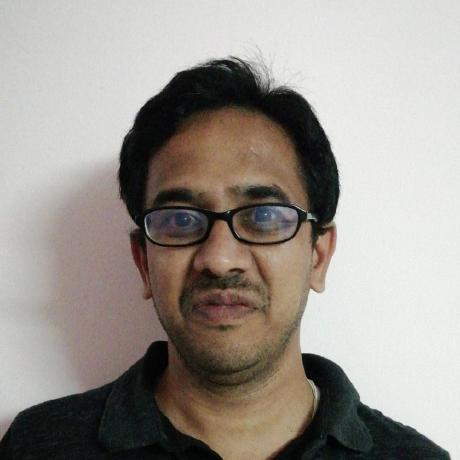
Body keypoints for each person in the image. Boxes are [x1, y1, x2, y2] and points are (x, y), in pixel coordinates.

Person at [0, 57, 450, 459]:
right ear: (143, 262)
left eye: (264, 216)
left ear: (318, 255)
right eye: (180, 220)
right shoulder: (36, 447)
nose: (218, 259)